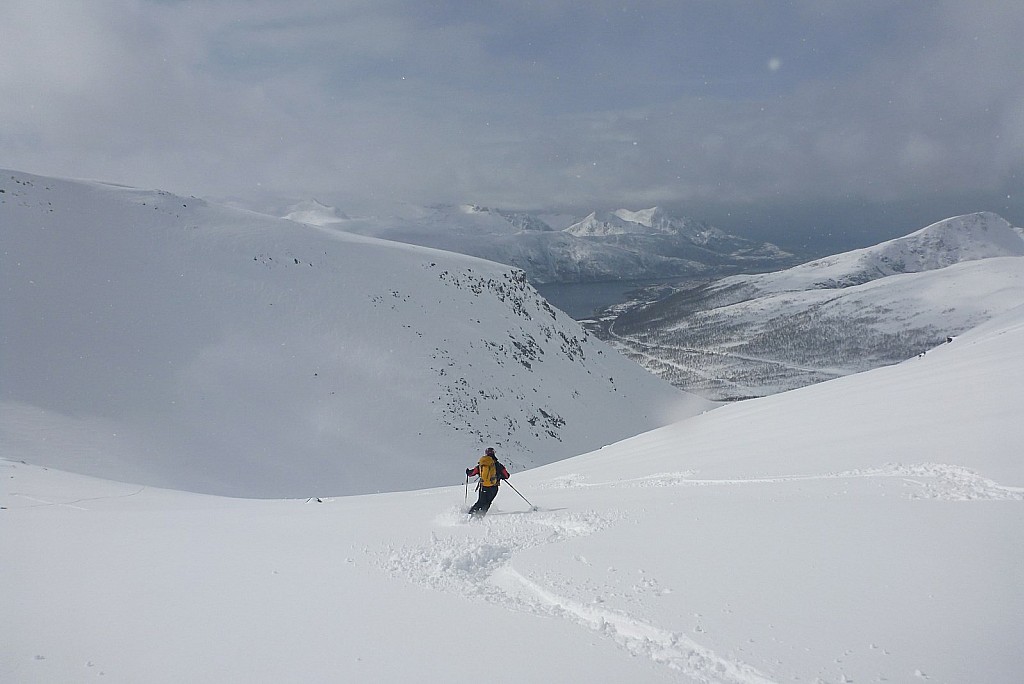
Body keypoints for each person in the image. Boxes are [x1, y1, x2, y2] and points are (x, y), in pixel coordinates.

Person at [465, 447, 510, 517]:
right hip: (493, 488)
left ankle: (469, 515)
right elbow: (506, 476)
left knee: (480, 502)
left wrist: (468, 472)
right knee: (488, 503)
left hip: (483, 487)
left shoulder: (482, 464)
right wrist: (500, 476)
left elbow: (472, 473)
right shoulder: (498, 465)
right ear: (494, 453)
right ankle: (480, 516)